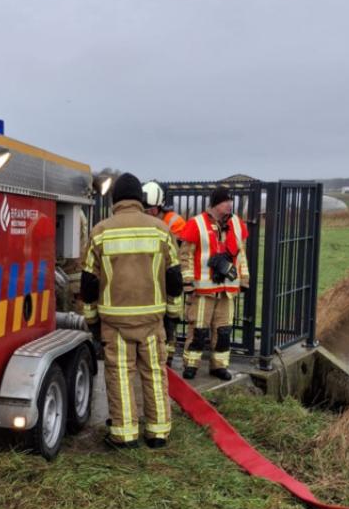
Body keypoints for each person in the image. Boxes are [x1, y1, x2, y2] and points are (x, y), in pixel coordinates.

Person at [81, 173, 185, 449]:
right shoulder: (161, 230)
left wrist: (92, 320)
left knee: (119, 375)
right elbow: (175, 278)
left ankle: (125, 435)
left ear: (115, 200)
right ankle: (158, 433)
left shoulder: (100, 231)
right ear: (140, 199)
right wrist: (172, 317)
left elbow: (89, 283)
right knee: (154, 373)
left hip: (115, 321)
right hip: (152, 319)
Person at [175, 187, 248, 381]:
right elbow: (185, 256)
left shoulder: (237, 224)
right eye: (225, 201)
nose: (230, 204)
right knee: (198, 330)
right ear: (215, 204)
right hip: (203, 291)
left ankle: (219, 366)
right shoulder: (196, 223)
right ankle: (191, 365)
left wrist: (244, 279)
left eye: (230, 201)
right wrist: (188, 282)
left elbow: (241, 254)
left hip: (227, 289)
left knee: (223, 331)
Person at [140, 180, 194, 362]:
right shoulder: (144, 220)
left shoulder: (174, 221)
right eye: (146, 209)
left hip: (169, 276)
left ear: (159, 206)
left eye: (151, 209)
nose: (148, 213)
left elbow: (179, 250)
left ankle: (167, 357)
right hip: (150, 277)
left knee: (170, 319)